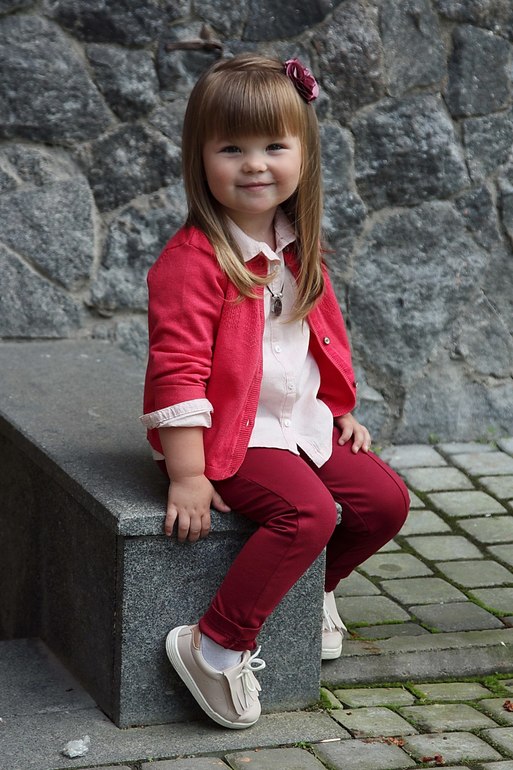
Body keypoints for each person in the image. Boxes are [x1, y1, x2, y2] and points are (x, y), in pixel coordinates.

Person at [140, 53, 409, 730]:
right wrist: (188, 475)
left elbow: (315, 338)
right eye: (232, 148)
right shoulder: (192, 263)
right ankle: (215, 645)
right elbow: (176, 371)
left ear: (303, 155)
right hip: (230, 436)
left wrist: (337, 409)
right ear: (200, 158)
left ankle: (313, 589)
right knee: (307, 514)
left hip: (298, 422)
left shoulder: (296, 247)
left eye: (273, 147)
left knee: (384, 502)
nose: (255, 165)